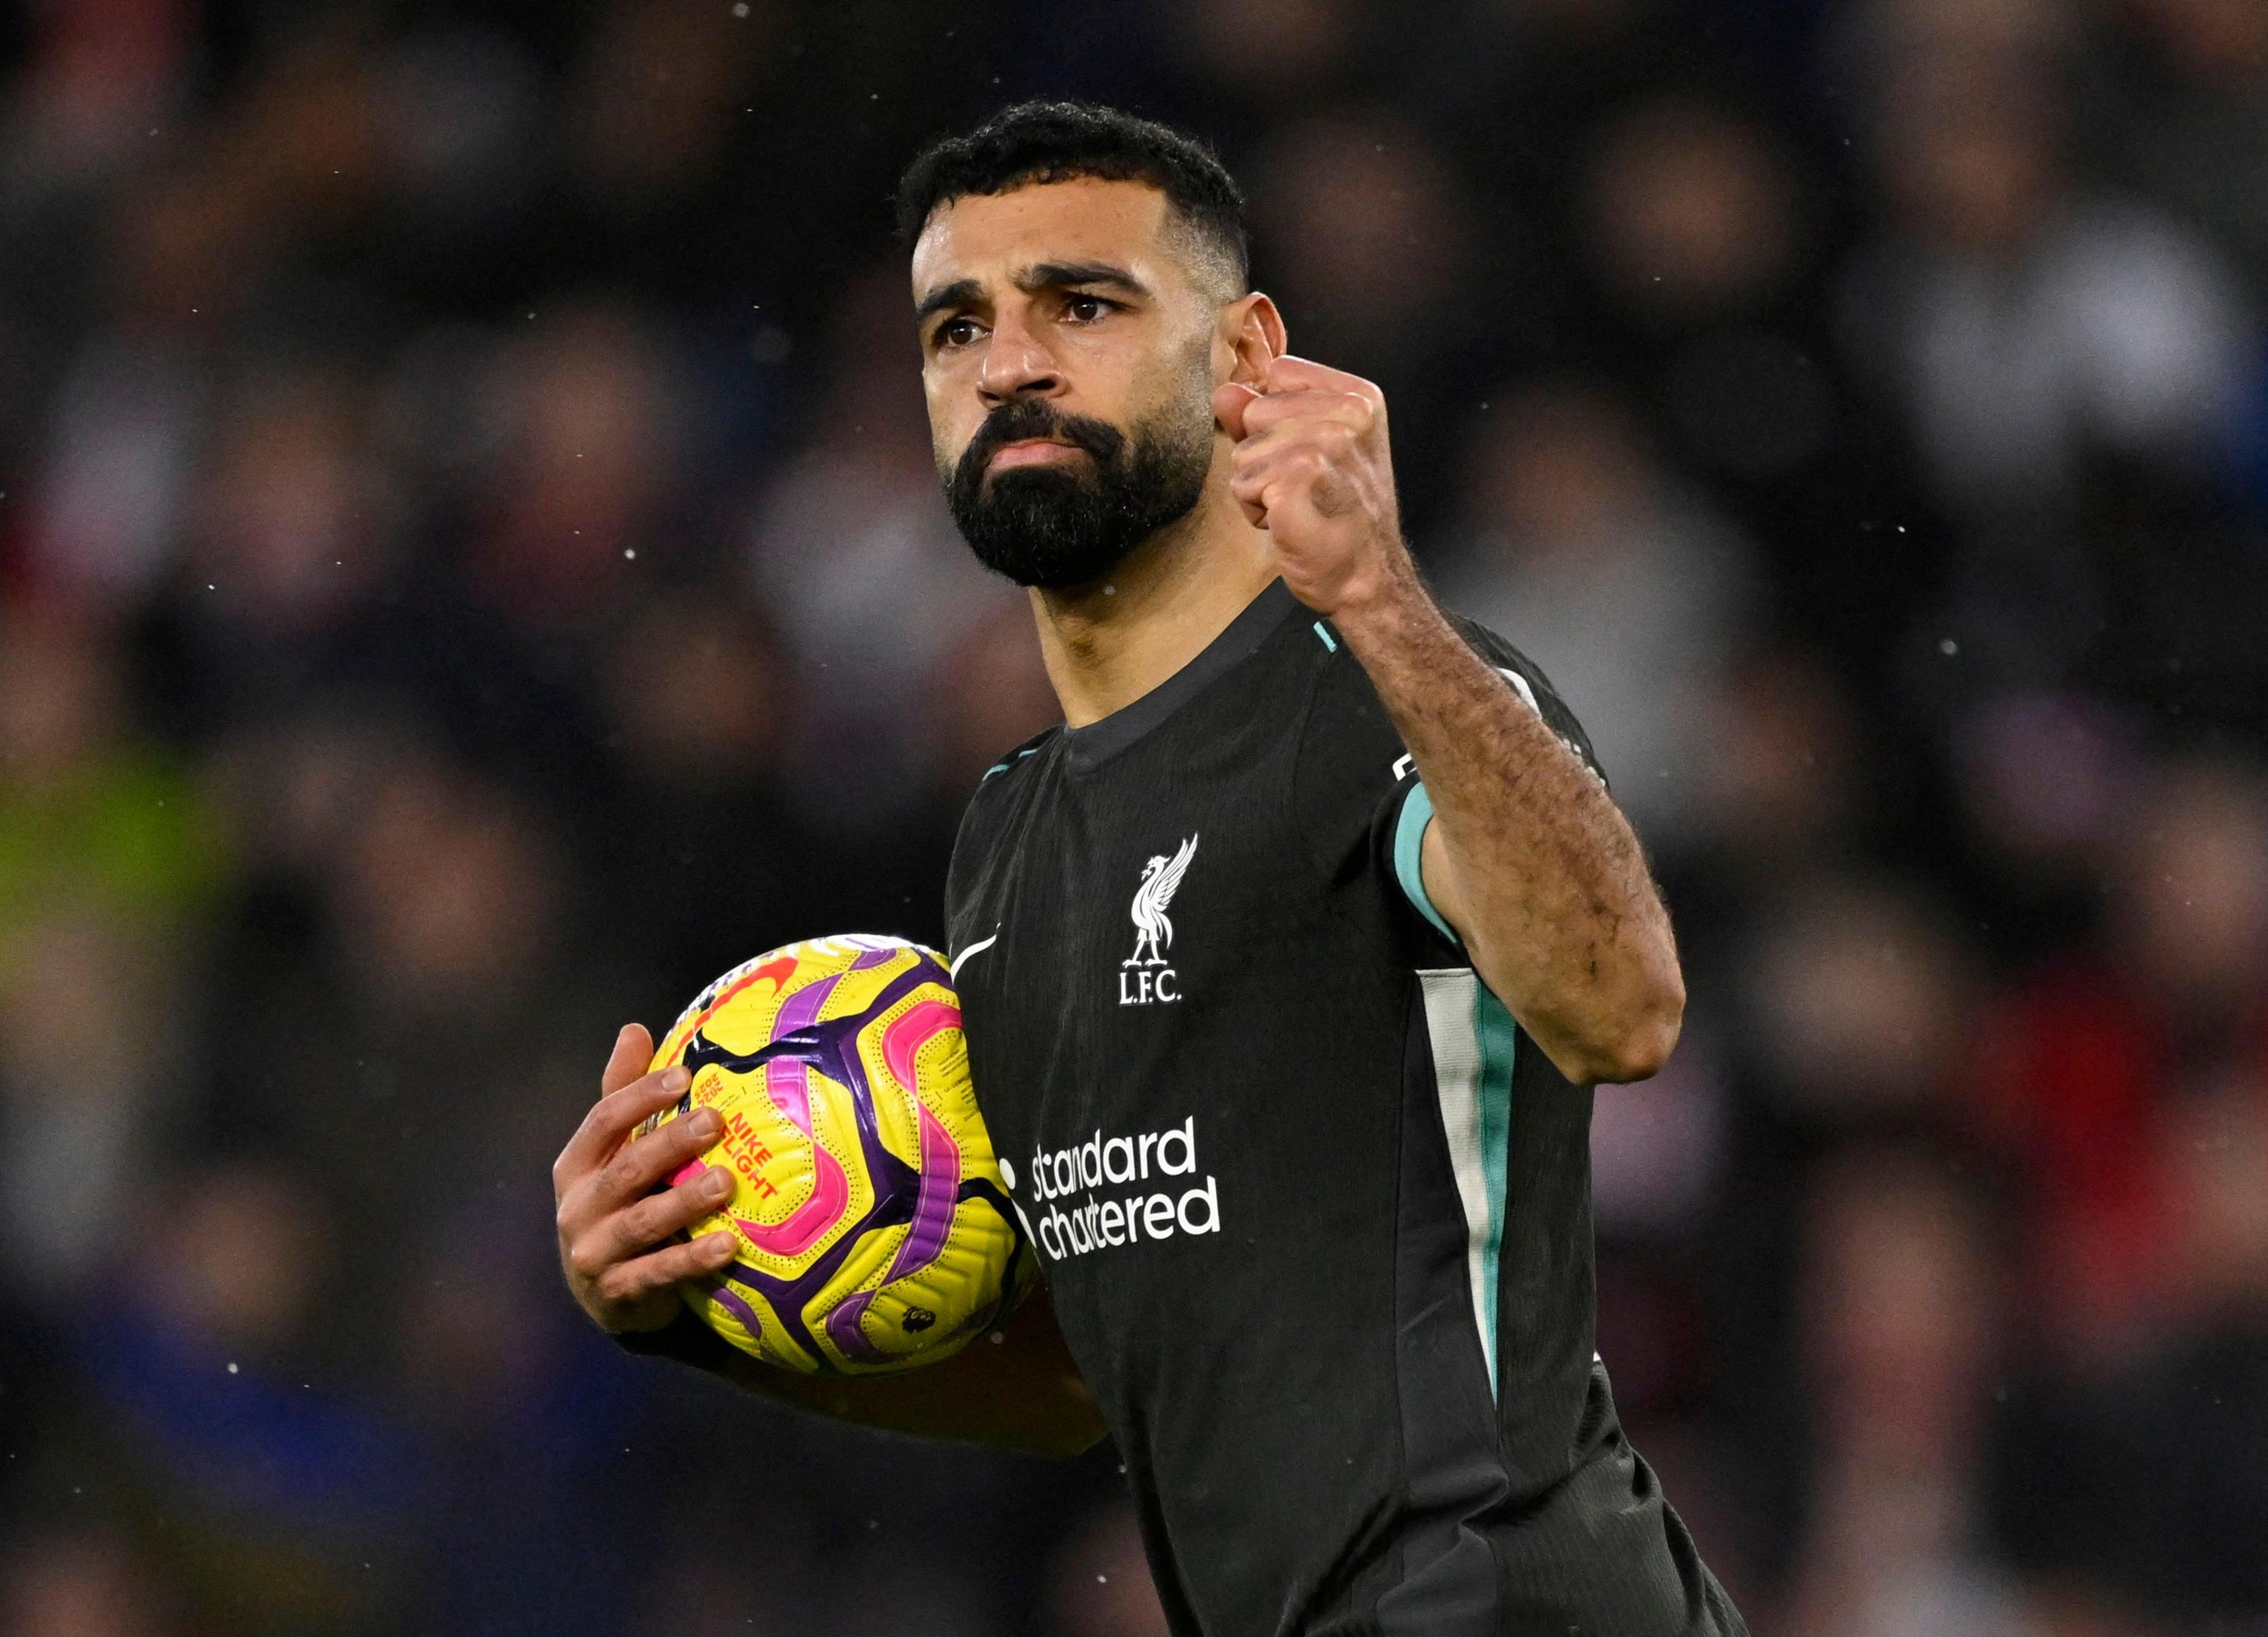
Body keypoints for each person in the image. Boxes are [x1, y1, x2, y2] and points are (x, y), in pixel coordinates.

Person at [551, 102, 1745, 1637]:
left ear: (1247, 355)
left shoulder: (1382, 691)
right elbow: (1082, 1384)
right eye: (954, 327)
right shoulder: (1012, 840)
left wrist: (1381, 595)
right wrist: (697, 1302)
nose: (1009, 363)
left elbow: (1623, 1006)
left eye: (1084, 305)